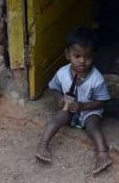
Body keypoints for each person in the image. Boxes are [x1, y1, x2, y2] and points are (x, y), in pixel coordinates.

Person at [35, 27, 112, 174]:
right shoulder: (62, 73)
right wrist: (60, 99)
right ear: (67, 54)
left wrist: (83, 106)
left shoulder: (97, 78)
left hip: (89, 110)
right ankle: (42, 145)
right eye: (77, 56)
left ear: (93, 56)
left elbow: (102, 101)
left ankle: (103, 154)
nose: (82, 61)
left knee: (93, 126)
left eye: (87, 57)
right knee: (59, 117)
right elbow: (55, 88)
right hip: (69, 109)